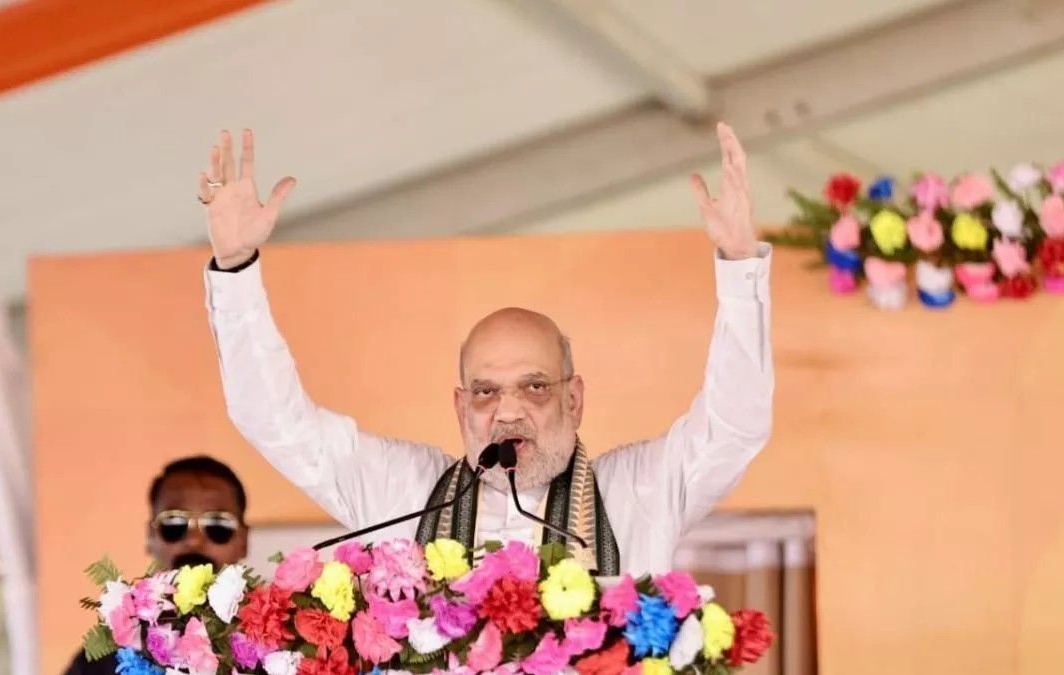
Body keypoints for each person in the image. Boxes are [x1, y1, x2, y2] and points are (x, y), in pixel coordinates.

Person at [198, 122, 772, 575]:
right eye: (485, 392)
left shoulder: (638, 492)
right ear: (459, 405)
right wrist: (235, 267)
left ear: (574, 399)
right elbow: (275, 422)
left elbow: (734, 428)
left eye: (535, 386)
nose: (508, 411)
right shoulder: (402, 491)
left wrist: (741, 266)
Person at [63, 455, 250, 675]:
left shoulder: (275, 648)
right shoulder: (100, 663)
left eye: (218, 524)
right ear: (150, 536)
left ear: (243, 540)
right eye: (174, 523)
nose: (194, 540)